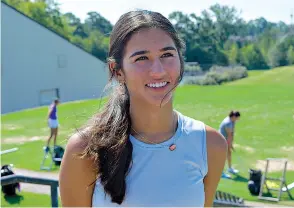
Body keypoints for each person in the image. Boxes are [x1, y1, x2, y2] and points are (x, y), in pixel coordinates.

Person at [59, 10, 227, 207]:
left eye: (167, 54)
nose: (158, 71)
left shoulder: (210, 145)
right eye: (141, 58)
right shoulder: (84, 150)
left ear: (180, 61)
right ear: (117, 71)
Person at [219, 110, 241, 178]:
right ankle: (221, 173)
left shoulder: (232, 121)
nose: (238, 119)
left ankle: (229, 168)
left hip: (227, 139)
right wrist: (230, 144)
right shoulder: (228, 123)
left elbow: (232, 133)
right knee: (222, 156)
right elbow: (229, 135)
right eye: (237, 118)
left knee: (229, 153)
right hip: (221, 140)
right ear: (234, 116)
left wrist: (231, 143)